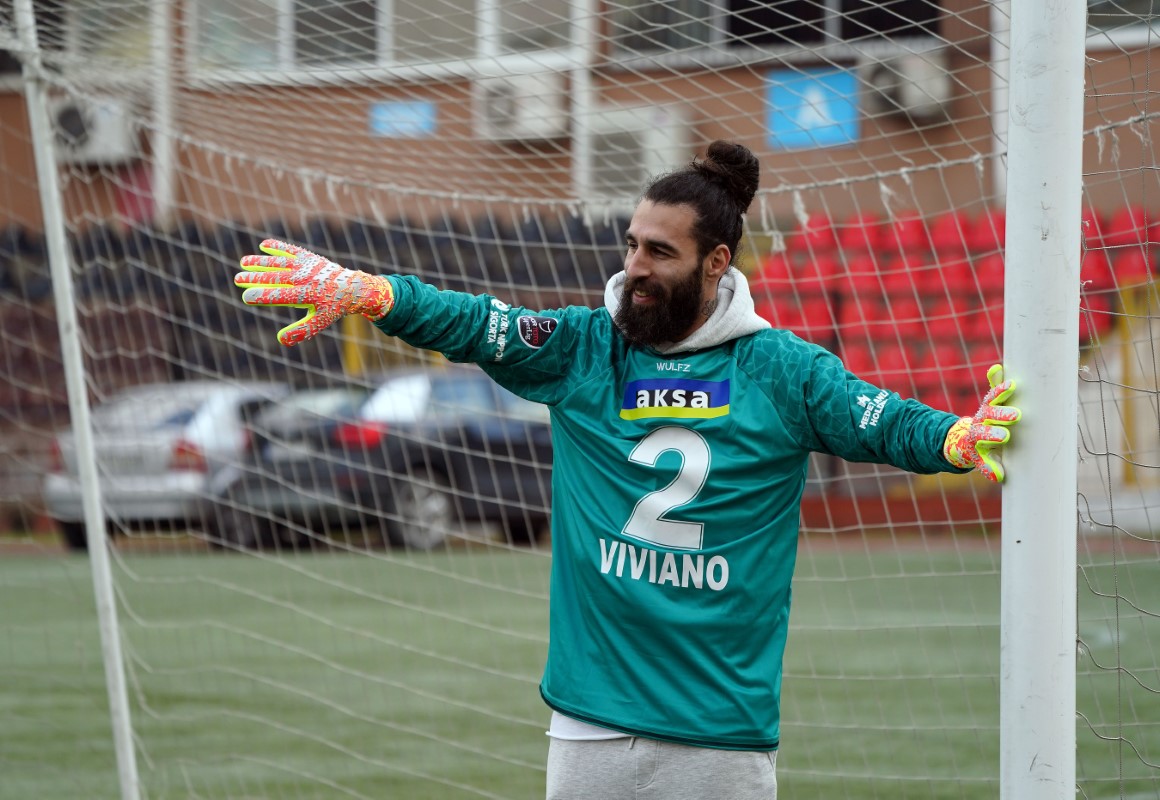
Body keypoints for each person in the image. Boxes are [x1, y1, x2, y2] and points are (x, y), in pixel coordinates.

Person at [233, 140, 1021, 800]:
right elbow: (478, 323)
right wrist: (375, 295)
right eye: (632, 244)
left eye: (660, 252)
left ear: (717, 262)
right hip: (589, 718)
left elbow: (876, 418)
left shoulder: (781, 370)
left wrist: (955, 438)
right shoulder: (584, 347)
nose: (636, 266)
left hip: (716, 732)